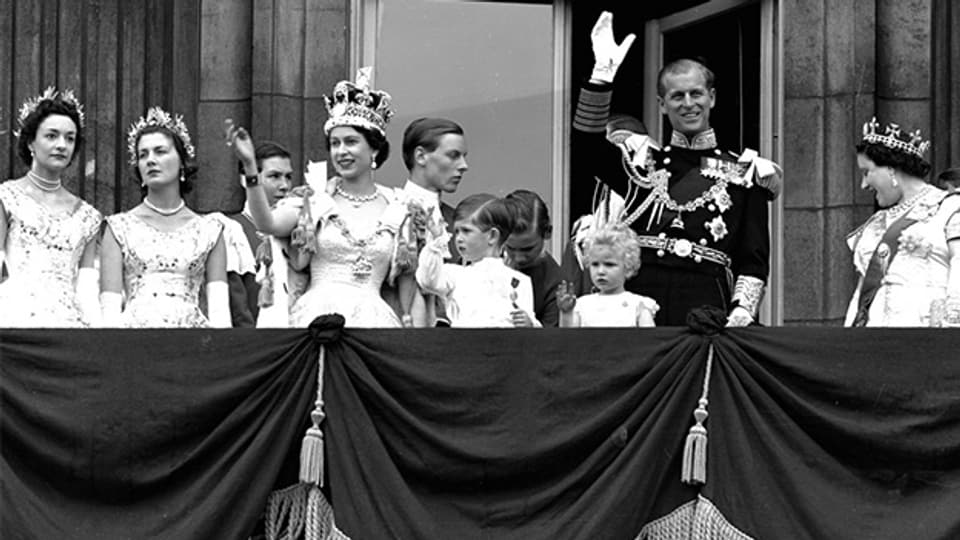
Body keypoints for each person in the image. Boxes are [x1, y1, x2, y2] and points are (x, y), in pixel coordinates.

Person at [573, 12, 781, 326]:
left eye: (696, 94)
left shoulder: (743, 172)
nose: (688, 104)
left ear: (711, 98)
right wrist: (600, 77)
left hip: (706, 305)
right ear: (661, 104)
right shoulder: (640, 164)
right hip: (642, 304)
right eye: (677, 96)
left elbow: (753, 260)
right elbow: (587, 146)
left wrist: (741, 312)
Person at [224, 68, 418, 328]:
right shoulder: (313, 201)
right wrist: (250, 167)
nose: (341, 151)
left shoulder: (398, 208)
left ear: (374, 149)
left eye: (351, 142)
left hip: (375, 323)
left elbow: (407, 285)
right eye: (335, 144)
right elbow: (266, 223)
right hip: (315, 318)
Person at [100, 107, 230, 328]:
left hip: (193, 344)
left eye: (160, 151)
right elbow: (109, 310)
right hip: (133, 343)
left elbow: (219, 312)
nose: (151, 160)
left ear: (182, 162)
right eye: (143, 155)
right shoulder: (118, 227)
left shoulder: (210, 230)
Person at [0, 87, 102, 327]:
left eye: (70, 138)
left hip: (70, 328)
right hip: (15, 324)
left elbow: (87, 288)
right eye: (51, 136)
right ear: (30, 143)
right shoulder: (6, 198)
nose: (61, 145)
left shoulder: (88, 217)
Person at [844, 118, 960, 327]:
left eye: (866, 172)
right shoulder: (874, 226)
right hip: (873, 343)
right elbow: (861, 295)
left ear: (890, 168)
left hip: (926, 339)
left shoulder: (949, 208)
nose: (863, 185)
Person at [416, 194, 538, 327]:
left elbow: (532, 333)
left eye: (466, 231)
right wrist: (437, 240)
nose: (458, 238)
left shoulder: (520, 281)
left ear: (492, 236)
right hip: (466, 344)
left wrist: (530, 324)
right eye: (457, 232)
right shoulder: (455, 274)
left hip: (505, 346)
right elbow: (428, 280)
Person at [400, 117, 469, 325]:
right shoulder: (392, 212)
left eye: (463, 157)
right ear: (421, 156)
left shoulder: (458, 221)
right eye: (453, 156)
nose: (464, 166)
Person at [224, 141, 293, 326]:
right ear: (245, 178)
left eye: (288, 177)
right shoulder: (231, 228)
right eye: (275, 176)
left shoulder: (298, 229)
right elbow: (234, 300)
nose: (284, 185)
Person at [557, 223, 658, 327]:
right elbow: (568, 339)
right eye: (595, 264)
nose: (601, 271)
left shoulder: (639, 305)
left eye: (609, 265)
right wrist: (566, 313)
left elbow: (649, 341)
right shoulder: (581, 305)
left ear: (628, 266)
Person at [504, 189, 563, 327]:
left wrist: (532, 330)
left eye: (528, 249)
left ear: (548, 233)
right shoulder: (482, 265)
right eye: (510, 248)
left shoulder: (557, 284)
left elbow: (552, 343)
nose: (518, 258)